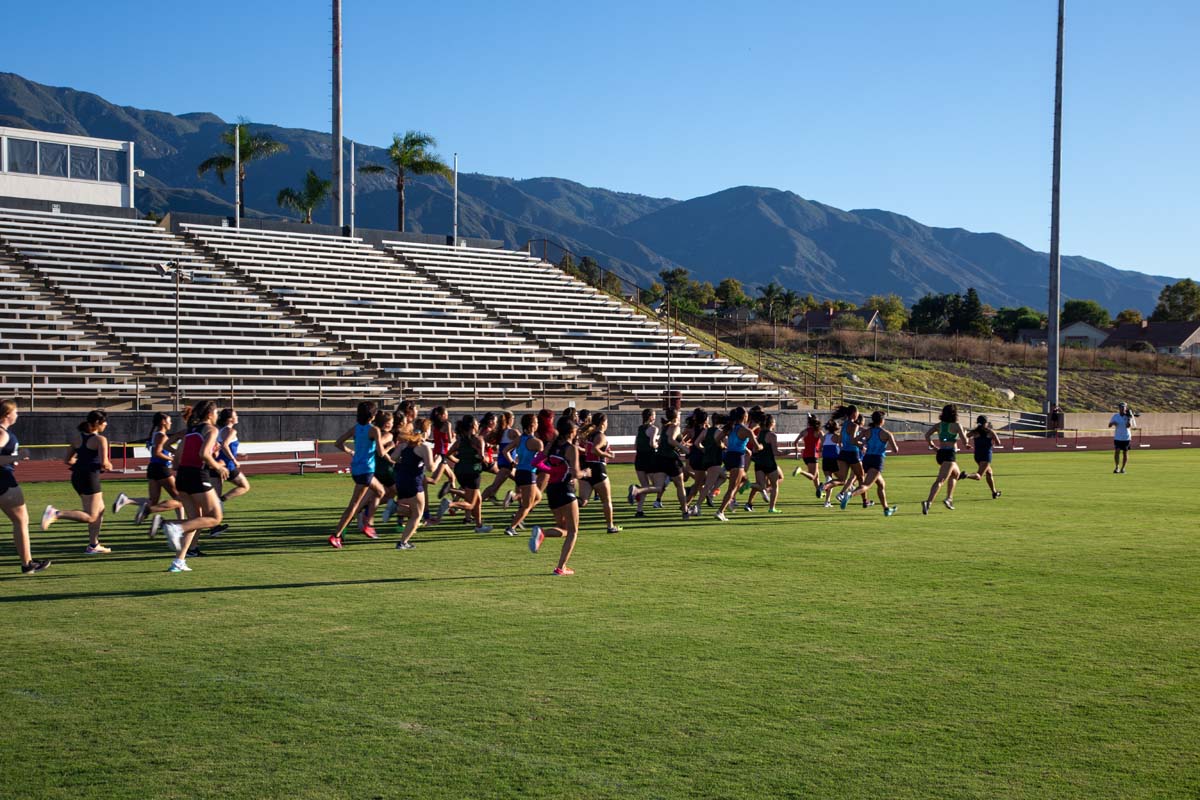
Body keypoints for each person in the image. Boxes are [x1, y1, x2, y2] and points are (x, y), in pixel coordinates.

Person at [159, 401, 228, 572]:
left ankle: (178, 561)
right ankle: (175, 527)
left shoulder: (189, 432)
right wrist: (218, 466)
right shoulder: (211, 430)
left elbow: (175, 463)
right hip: (198, 476)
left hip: (182, 476)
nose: (217, 415)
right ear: (210, 414)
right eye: (216, 412)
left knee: (194, 521)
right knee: (215, 518)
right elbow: (203, 454)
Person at [41, 409, 114, 554]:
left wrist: (82, 464)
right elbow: (105, 463)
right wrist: (109, 466)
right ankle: (56, 513)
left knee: (100, 510)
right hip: (90, 478)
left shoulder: (77, 439)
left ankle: (93, 545)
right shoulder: (100, 439)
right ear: (98, 423)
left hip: (77, 476)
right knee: (92, 515)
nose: (106, 425)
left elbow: (67, 460)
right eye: (105, 422)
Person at [328, 401, 391, 548]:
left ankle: (366, 522)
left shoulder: (356, 428)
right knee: (354, 505)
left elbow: (338, 443)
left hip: (356, 469)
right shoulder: (374, 430)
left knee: (380, 491)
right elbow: (381, 453)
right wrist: (391, 445)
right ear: (373, 415)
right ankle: (336, 535)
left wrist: (351, 452)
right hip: (366, 470)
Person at [528, 417, 585, 576]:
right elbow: (576, 473)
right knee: (573, 531)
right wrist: (586, 473)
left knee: (564, 529)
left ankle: (543, 533)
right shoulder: (571, 448)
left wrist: (552, 471)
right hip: (566, 488)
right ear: (572, 432)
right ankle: (561, 567)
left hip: (552, 491)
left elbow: (536, 463)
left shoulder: (551, 446)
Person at [112, 412, 185, 533]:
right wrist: (173, 458)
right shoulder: (161, 436)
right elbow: (158, 453)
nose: (171, 423)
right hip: (161, 469)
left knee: (153, 500)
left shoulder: (155, 435)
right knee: (179, 499)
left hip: (153, 468)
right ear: (163, 422)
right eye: (169, 420)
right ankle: (178, 523)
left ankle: (127, 500)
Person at [0, 400, 51, 574]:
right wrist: (19, 457)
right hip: (4, 481)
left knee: (20, 521)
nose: (17, 415)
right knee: (21, 521)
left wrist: (13, 458)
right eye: (15, 412)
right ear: (7, 414)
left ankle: (28, 562)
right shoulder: (2, 433)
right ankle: (27, 563)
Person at [438, 415, 493, 533]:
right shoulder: (478, 439)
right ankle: (450, 504)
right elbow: (483, 457)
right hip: (473, 472)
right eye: (477, 423)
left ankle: (479, 526)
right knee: (471, 504)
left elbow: (448, 454)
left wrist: (459, 461)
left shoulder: (460, 440)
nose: (478, 424)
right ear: (473, 425)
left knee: (477, 500)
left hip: (460, 471)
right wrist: (486, 458)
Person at [843, 411, 900, 516]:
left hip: (867, 459)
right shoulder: (886, 433)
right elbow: (895, 450)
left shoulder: (867, 432)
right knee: (866, 485)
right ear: (882, 420)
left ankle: (886, 509)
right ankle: (850, 494)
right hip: (877, 460)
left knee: (881, 484)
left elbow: (853, 441)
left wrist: (863, 444)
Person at [391, 419, 435, 549]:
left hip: (400, 480)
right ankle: (403, 542)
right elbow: (431, 468)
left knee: (413, 511)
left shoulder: (404, 445)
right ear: (426, 431)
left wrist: (405, 461)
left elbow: (393, 458)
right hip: (414, 482)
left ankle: (396, 508)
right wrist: (439, 460)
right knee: (417, 514)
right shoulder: (424, 447)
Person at [579, 412, 621, 533]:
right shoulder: (601, 436)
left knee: (583, 501)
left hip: (587, 469)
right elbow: (595, 449)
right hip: (598, 469)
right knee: (607, 500)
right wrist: (609, 455)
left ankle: (564, 505)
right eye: (607, 421)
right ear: (603, 423)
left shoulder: (589, 434)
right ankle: (610, 526)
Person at [714, 407, 758, 522]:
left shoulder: (730, 427)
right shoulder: (746, 430)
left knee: (743, 480)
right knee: (732, 487)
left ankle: (728, 503)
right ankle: (720, 511)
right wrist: (762, 446)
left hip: (729, 456)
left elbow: (717, 439)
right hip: (738, 458)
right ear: (744, 417)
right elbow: (757, 447)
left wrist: (724, 447)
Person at [922, 404, 966, 514]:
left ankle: (949, 499)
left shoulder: (939, 425)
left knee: (956, 474)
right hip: (949, 454)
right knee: (941, 480)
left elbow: (927, 435)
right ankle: (928, 502)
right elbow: (965, 441)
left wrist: (932, 446)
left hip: (940, 453)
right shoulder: (956, 426)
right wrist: (965, 436)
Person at [504, 414, 543, 536]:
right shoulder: (537, 442)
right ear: (532, 425)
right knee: (527, 505)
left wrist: (512, 462)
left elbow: (505, 451)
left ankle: (514, 498)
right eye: (536, 422)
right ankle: (511, 527)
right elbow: (543, 459)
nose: (538, 424)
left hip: (519, 472)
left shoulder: (520, 439)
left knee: (538, 497)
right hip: (528, 474)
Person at [745, 414, 784, 513]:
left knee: (761, 486)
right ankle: (772, 508)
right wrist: (785, 452)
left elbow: (754, 449)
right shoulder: (772, 435)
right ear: (771, 423)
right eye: (774, 421)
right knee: (775, 486)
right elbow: (775, 452)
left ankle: (749, 490)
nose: (775, 423)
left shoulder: (760, 434)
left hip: (759, 464)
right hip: (769, 464)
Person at [627, 409, 658, 518]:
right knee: (658, 486)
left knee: (645, 486)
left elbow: (635, 446)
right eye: (654, 415)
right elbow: (652, 444)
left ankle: (639, 510)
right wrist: (658, 445)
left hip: (639, 458)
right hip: (650, 458)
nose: (655, 417)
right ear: (650, 417)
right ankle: (636, 490)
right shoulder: (653, 429)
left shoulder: (640, 429)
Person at [963, 415, 1003, 498]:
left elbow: (966, 436)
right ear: (986, 423)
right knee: (979, 476)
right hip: (986, 456)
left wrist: (967, 443)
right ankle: (966, 475)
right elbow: (998, 443)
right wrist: (992, 441)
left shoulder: (975, 432)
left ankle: (994, 492)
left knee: (989, 473)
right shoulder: (990, 432)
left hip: (977, 456)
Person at [792, 414, 822, 496]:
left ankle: (819, 492)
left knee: (817, 475)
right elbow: (824, 441)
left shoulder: (804, 431)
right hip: (813, 454)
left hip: (805, 455)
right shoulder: (818, 432)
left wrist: (797, 449)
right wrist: (820, 449)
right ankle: (800, 471)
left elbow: (795, 442)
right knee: (813, 476)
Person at [1109, 402, 1136, 474]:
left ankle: (1123, 468)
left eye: (1124, 407)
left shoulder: (1128, 416)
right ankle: (1117, 467)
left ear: (1125, 408)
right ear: (1119, 408)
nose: (1122, 408)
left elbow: (1128, 426)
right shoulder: (1115, 416)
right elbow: (1109, 425)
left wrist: (1129, 418)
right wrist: (1113, 423)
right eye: (1121, 407)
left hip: (1126, 437)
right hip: (1118, 437)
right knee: (1117, 451)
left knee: (1125, 453)